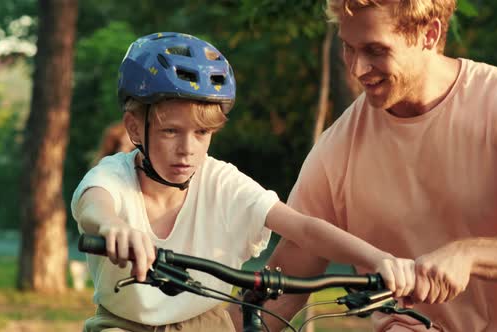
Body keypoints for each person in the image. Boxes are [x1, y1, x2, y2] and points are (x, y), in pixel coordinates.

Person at [71, 32, 414, 332]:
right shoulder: (113, 176)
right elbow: (94, 205)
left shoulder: (221, 181)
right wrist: (114, 226)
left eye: (201, 133)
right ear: (134, 128)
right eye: (170, 131)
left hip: (210, 325)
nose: (187, 149)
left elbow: (304, 228)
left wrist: (378, 259)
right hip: (123, 325)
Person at [254, 1, 497, 331]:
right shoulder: (337, 149)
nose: (357, 69)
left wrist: (470, 255)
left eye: (375, 50)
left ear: (429, 34)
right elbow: (280, 290)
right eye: (348, 47)